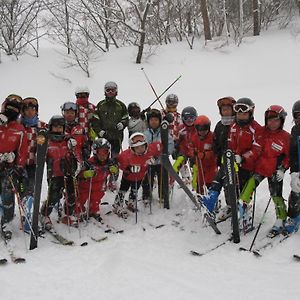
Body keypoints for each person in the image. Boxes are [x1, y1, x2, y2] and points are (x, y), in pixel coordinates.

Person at [199, 98, 263, 232]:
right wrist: (231, 155)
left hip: (248, 166)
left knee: (242, 190)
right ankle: (212, 198)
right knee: (226, 181)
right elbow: (230, 144)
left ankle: (243, 212)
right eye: (238, 113)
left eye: (244, 113)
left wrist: (243, 158)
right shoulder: (234, 126)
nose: (241, 115)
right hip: (234, 162)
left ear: (250, 112)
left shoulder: (256, 128)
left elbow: (257, 149)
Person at [237, 105, 290, 235]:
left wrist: (283, 169)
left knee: (276, 195)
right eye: (269, 120)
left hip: (274, 172)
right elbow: (255, 150)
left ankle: (281, 219)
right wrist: (243, 158)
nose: (272, 123)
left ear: (282, 121)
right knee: (247, 190)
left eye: (276, 120)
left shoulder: (286, 137)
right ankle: (242, 215)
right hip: (259, 169)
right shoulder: (261, 132)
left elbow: (289, 157)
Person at [40, 115, 82, 229]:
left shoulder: (68, 140)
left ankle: (67, 214)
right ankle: (44, 214)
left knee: (72, 195)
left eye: (60, 127)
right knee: (54, 196)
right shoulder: (47, 141)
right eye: (55, 127)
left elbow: (77, 157)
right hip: (54, 174)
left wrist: (75, 164)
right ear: (51, 127)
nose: (58, 129)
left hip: (68, 173)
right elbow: (40, 157)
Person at [113, 132, 163, 218]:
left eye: (142, 146)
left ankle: (131, 202)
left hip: (139, 177)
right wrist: (128, 168)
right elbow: (117, 163)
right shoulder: (126, 155)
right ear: (132, 148)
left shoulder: (150, 150)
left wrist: (155, 157)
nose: (140, 149)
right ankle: (117, 204)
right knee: (123, 189)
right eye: (137, 148)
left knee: (135, 190)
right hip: (127, 177)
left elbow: (160, 146)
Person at [0, 94, 28, 239]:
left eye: (15, 110)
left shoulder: (19, 129)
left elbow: (23, 151)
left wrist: (18, 165)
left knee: (7, 195)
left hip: (8, 168)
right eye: (9, 108)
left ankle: (6, 221)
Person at [78, 138, 118, 222]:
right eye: (100, 152)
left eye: (105, 152)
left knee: (96, 198)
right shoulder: (89, 163)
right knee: (81, 198)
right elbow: (79, 174)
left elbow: (116, 168)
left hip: (99, 186)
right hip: (86, 186)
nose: (103, 155)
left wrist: (114, 169)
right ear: (95, 152)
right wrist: (85, 174)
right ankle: (78, 211)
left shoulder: (109, 162)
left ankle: (93, 210)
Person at [142, 109, 174, 204]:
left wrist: (165, 152)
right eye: (151, 120)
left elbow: (170, 144)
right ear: (148, 122)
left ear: (160, 121)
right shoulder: (146, 134)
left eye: (156, 120)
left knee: (163, 179)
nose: (154, 122)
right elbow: (143, 146)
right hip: (149, 161)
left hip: (161, 161)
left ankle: (163, 195)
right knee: (147, 179)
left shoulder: (164, 132)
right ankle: (146, 195)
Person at [90, 81, 129, 157]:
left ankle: (115, 168)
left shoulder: (121, 105)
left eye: (112, 90)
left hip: (117, 137)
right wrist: (99, 131)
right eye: (108, 90)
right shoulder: (100, 105)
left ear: (116, 91)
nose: (110, 92)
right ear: (105, 92)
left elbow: (126, 118)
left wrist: (122, 124)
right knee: (103, 156)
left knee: (115, 158)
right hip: (104, 137)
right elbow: (95, 121)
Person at [212, 96, 236, 219]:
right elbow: (215, 142)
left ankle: (236, 204)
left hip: (236, 162)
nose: (226, 111)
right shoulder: (219, 125)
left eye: (228, 109)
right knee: (221, 182)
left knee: (231, 184)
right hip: (222, 160)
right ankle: (229, 205)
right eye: (224, 109)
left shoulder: (236, 124)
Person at [20, 97, 48, 195]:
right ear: (23, 111)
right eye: (27, 110)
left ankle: (30, 204)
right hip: (20, 163)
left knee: (31, 187)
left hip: (34, 163)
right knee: (21, 187)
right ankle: (23, 202)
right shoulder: (19, 125)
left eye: (33, 109)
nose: (30, 112)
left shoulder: (42, 126)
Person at [188, 115, 218, 195]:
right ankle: (200, 198)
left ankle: (212, 200)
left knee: (210, 183)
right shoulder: (194, 138)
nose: (202, 132)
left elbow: (215, 151)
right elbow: (190, 147)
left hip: (211, 166)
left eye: (205, 129)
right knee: (199, 183)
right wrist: (193, 153)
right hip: (200, 165)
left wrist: (205, 155)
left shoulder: (212, 137)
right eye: (200, 130)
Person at [285, 100, 300, 233]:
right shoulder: (295, 130)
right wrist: (294, 171)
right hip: (298, 167)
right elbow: (293, 153)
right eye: (297, 116)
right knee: (296, 191)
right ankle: (294, 216)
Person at [172, 106, 198, 184]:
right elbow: (176, 139)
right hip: (184, 151)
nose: (189, 120)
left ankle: (195, 184)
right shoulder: (181, 129)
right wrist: (175, 147)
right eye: (186, 118)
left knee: (196, 168)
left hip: (194, 152)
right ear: (183, 119)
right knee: (178, 162)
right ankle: (171, 181)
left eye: (191, 118)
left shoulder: (198, 128)